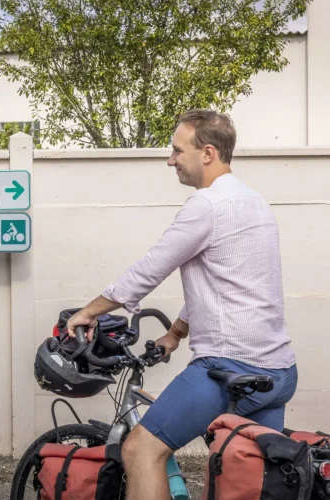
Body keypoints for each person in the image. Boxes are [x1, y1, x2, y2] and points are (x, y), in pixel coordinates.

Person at [64, 110, 298, 500]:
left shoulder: (206, 205)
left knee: (140, 450)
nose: (170, 159)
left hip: (228, 366)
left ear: (207, 153)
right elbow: (229, 284)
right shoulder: (254, 202)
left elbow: (149, 269)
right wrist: (174, 334)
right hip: (279, 373)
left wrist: (89, 312)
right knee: (247, 477)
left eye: (177, 150)